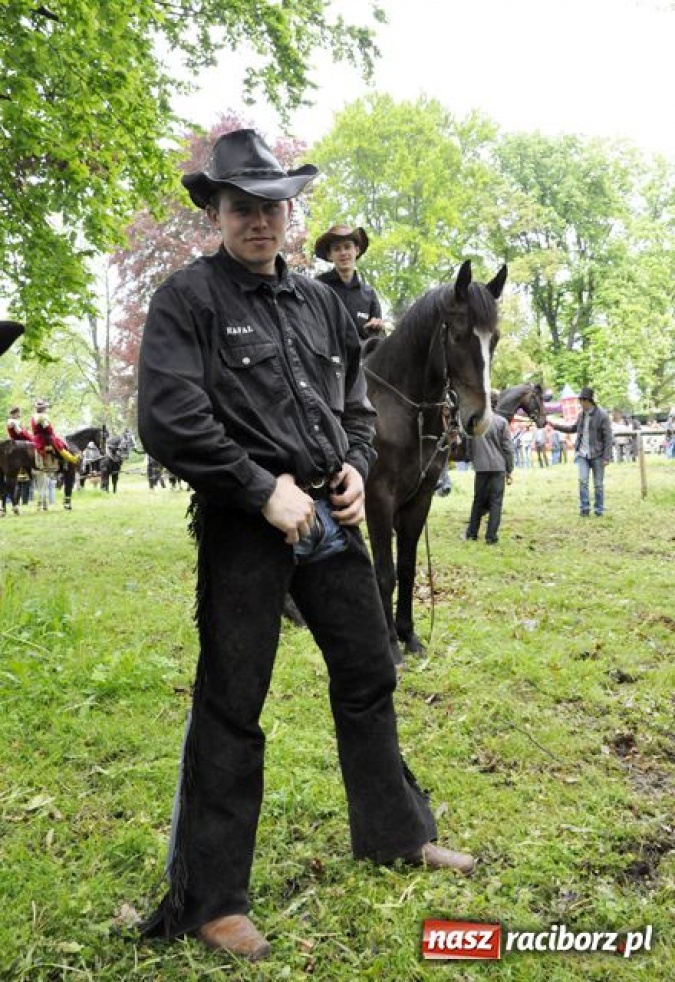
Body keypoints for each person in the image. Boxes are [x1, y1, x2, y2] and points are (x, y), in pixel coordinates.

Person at [137, 129, 474, 962]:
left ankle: (395, 834)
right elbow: (169, 418)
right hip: (243, 525)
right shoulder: (187, 300)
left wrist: (357, 466)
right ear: (214, 212)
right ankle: (213, 901)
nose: (259, 221)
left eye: (272, 206)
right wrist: (260, 488)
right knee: (231, 703)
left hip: (330, 517)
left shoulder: (322, 301)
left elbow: (355, 406)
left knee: (368, 671)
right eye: (242, 207)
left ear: (290, 213)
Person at [314, 224, 386, 341]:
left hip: (362, 358)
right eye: (337, 249)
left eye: (347, 247)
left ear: (356, 250)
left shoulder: (369, 295)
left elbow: (377, 341)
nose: (343, 253)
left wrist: (377, 329)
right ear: (329, 255)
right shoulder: (318, 288)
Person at [552, 386, 613, 516]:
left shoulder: (602, 415)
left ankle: (599, 510)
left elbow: (608, 437)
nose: (581, 404)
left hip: (598, 455)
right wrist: (556, 426)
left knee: (598, 485)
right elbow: (573, 428)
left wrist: (607, 457)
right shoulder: (581, 415)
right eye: (580, 401)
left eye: (582, 401)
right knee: (583, 481)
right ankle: (584, 509)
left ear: (589, 401)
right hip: (582, 454)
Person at [463, 393, 514, 544]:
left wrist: (473, 460)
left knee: (478, 501)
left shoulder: (475, 422)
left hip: (481, 467)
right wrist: (509, 469)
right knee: (496, 502)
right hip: (499, 467)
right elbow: (508, 448)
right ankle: (491, 537)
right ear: (496, 404)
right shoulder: (502, 422)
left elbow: (469, 445)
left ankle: (472, 533)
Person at [30, 400, 80, 465]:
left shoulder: (34, 416)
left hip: (38, 437)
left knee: (57, 439)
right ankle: (72, 459)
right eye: (44, 408)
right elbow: (48, 429)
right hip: (43, 438)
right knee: (58, 443)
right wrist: (52, 434)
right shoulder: (41, 417)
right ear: (42, 408)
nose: (45, 409)